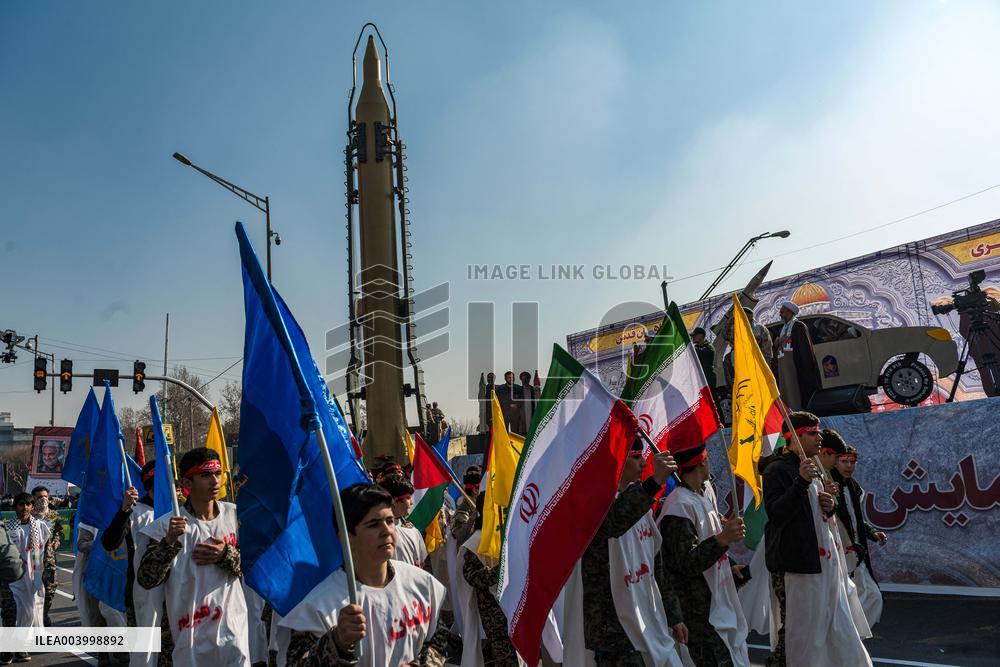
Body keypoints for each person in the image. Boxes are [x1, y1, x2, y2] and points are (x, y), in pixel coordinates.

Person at [280, 483, 449, 666]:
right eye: (373, 525)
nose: (387, 531)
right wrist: (337, 643)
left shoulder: (421, 584)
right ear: (346, 537)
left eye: (390, 521)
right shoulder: (319, 607)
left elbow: (440, 640)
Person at [762, 412, 871, 667]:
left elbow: (819, 514)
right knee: (798, 636)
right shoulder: (777, 470)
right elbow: (777, 514)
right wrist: (801, 481)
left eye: (818, 432)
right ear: (794, 437)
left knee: (828, 629)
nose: (819, 437)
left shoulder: (816, 469)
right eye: (813, 433)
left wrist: (829, 505)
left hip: (824, 566)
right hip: (797, 567)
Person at [137, 447, 250, 667]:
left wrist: (226, 554)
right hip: (189, 635)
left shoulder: (235, 516)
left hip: (232, 630)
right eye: (205, 475)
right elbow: (146, 579)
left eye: (217, 473)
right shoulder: (165, 527)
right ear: (187, 484)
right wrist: (169, 542)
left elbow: (255, 566)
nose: (214, 481)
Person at [579, 441, 684, 666]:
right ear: (617, 460)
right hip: (616, 634)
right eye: (636, 457)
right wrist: (654, 482)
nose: (644, 463)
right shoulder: (592, 506)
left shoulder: (640, 503)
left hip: (648, 621)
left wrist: (674, 615)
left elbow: (656, 564)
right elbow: (614, 522)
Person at [659, 445, 751, 666]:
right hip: (700, 612)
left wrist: (728, 565)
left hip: (717, 603)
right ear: (702, 462)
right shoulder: (679, 505)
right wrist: (723, 539)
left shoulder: (700, 496)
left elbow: (704, 541)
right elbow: (686, 562)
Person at [101, 461, 166, 667]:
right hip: (141, 593)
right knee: (143, 653)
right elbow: (110, 542)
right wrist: (124, 509)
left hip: (177, 593)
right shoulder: (137, 512)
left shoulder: (180, 508)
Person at [456, 492, 518, 666]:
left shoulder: (507, 536)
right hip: (495, 613)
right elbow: (475, 578)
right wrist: (503, 568)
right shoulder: (474, 544)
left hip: (514, 608)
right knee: (506, 659)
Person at [833, 444, 886, 627]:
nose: (849, 466)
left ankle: (853, 640)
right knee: (842, 601)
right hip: (837, 554)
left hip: (856, 552)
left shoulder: (854, 488)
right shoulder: (827, 487)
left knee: (873, 597)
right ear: (835, 462)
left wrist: (871, 532)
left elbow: (855, 520)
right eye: (844, 461)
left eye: (852, 461)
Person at [1, 492, 50, 662]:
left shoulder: (40, 526)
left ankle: (19, 646)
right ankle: (8, 649)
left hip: (33, 574)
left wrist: (40, 574)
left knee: (29, 612)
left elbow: (43, 551)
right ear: (15, 507)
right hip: (13, 575)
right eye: (21, 505)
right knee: (12, 612)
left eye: (28, 504)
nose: (25, 508)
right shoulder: (8, 528)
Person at [771, 301, 821, 410]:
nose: (780, 314)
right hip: (786, 369)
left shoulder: (799, 326)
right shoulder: (782, 329)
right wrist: (778, 341)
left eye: (782, 312)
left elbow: (803, 350)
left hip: (798, 367)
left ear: (790, 312)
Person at [377, 475, 428, 569]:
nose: (411, 503)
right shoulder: (376, 533)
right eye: (408, 498)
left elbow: (421, 563)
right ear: (395, 501)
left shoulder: (413, 530)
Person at [30, 486, 62, 626]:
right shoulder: (28, 515)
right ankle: (33, 618)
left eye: (45, 496)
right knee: (31, 590)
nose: (43, 499)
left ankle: (43, 614)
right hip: (31, 560)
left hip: (49, 560)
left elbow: (58, 532)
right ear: (33, 499)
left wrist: (57, 540)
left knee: (50, 588)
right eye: (39, 497)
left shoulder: (53, 514)